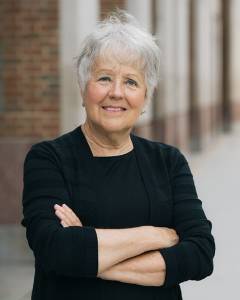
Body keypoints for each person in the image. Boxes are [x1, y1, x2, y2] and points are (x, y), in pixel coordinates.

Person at [21, 10, 215, 300]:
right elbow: (55, 249)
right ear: (83, 87)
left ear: (145, 98)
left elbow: (200, 254)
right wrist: (155, 236)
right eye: (104, 78)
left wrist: (87, 249)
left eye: (131, 82)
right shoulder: (48, 159)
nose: (116, 92)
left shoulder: (169, 161)